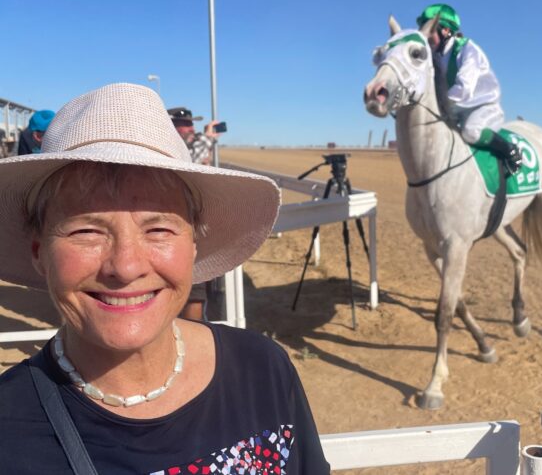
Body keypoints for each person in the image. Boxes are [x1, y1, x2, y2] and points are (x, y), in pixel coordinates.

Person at [0, 83, 330, 474]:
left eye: (158, 229)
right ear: (40, 253)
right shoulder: (10, 430)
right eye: (86, 231)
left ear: (193, 244)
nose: (125, 267)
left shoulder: (263, 371)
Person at [416, 3, 523, 174]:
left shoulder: (466, 49)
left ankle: (510, 150)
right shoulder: (435, 56)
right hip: (455, 109)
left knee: (470, 132)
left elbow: (464, 88)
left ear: (446, 31)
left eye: (430, 34)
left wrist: (439, 105)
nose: (427, 40)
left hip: (482, 105)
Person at [168, 106, 222, 320]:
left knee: (195, 288)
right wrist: (208, 140)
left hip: (191, 229)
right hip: (176, 227)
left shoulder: (192, 143)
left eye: (190, 123)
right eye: (183, 125)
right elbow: (188, 164)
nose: (190, 128)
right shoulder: (170, 148)